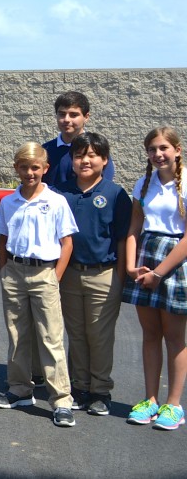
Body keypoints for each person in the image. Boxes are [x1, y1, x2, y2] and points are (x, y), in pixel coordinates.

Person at [0, 143, 78, 428]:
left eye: (35, 168)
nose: (30, 173)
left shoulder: (55, 201)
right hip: (14, 272)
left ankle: (61, 400)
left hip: (45, 273)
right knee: (17, 335)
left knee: (51, 337)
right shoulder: (8, 202)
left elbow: (67, 243)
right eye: (24, 167)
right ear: (16, 168)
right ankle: (19, 389)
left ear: (45, 169)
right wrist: (4, 271)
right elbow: (3, 240)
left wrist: (56, 276)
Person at [56, 132, 131, 416]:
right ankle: (80, 387)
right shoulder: (61, 193)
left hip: (105, 275)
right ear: (72, 160)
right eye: (78, 155)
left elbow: (123, 238)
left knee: (99, 335)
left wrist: (122, 278)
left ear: (104, 160)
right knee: (76, 334)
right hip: (70, 274)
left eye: (92, 155)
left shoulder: (115, 194)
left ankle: (101, 391)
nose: (85, 160)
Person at [122, 127, 187, 430]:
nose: (158, 154)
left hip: (175, 262)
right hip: (146, 258)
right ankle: (150, 400)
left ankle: (173, 405)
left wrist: (160, 273)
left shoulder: (185, 182)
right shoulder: (142, 183)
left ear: (177, 149)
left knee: (174, 338)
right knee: (150, 335)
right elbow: (135, 228)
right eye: (151, 149)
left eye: (163, 148)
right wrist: (134, 267)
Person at [42, 91, 115, 189]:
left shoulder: (96, 150)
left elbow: (103, 187)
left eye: (73, 115)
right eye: (62, 114)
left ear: (86, 117)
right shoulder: (45, 151)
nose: (66, 119)